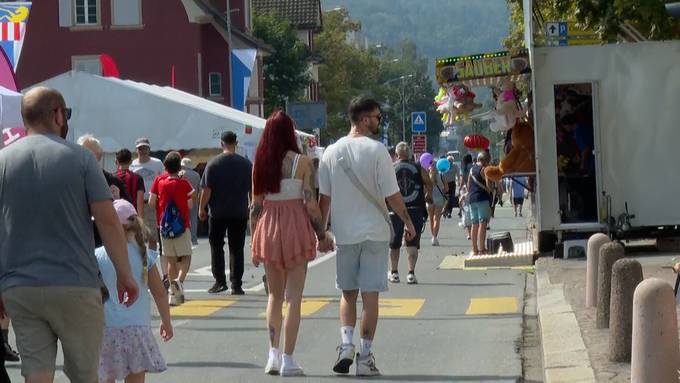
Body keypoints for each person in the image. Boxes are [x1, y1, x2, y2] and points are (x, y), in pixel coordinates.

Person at [0, 87, 138, 383]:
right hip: (75, 283)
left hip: (19, 286)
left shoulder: (3, 161)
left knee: (36, 372)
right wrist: (125, 275)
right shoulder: (81, 159)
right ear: (58, 115)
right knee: (85, 374)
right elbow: (108, 221)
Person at [318, 97, 416, 377]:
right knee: (370, 296)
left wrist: (322, 232)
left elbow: (324, 199)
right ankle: (364, 357)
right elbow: (392, 195)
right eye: (377, 117)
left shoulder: (331, 152)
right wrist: (407, 221)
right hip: (374, 232)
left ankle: (346, 345)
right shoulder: (377, 151)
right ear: (363, 119)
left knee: (347, 293)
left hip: (345, 233)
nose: (379, 121)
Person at [250, 111, 324, 376]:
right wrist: (322, 234)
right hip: (295, 226)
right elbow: (311, 203)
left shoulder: (260, 163)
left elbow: (255, 206)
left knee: (274, 295)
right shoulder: (302, 162)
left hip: (268, 225)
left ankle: (273, 355)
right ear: (290, 133)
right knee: (294, 299)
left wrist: (253, 240)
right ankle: (289, 359)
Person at [96, 199, 173, 383]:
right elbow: (160, 293)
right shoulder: (144, 255)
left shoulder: (98, 255)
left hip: (106, 329)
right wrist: (166, 321)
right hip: (137, 331)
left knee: (105, 377)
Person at [199, 131, 252, 295]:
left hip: (218, 212)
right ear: (236, 143)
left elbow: (206, 189)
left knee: (216, 246)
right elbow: (253, 189)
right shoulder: (245, 164)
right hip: (239, 211)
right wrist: (252, 206)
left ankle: (220, 281)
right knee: (237, 247)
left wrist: (202, 208)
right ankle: (236, 284)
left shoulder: (213, 163)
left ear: (221, 143)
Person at [150, 152, 194, 306]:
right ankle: (179, 282)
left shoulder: (159, 182)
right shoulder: (184, 184)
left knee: (171, 260)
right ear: (179, 166)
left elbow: (151, 202)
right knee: (186, 256)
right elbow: (190, 205)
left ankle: (171, 295)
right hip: (182, 225)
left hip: (164, 226)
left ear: (165, 167)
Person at [388, 142, 431, 285]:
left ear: (396, 154)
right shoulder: (418, 167)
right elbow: (429, 182)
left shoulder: (391, 168)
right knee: (412, 242)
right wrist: (426, 195)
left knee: (394, 243)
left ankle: (394, 272)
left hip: (395, 211)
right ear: (410, 154)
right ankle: (411, 273)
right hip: (415, 209)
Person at [78, 135, 132, 247]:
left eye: (90, 155)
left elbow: (130, 214)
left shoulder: (112, 181)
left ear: (99, 157)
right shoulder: (70, 180)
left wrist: (118, 201)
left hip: (105, 244)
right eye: (81, 153)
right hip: (79, 242)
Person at [131, 138, 164, 253]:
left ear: (149, 149)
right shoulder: (132, 165)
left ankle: (152, 260)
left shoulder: (157, 163)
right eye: (140, 148)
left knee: (152, 236)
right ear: (136, 150)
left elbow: (163, 180)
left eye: (145, 148)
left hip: (152, 203)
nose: (143, 151)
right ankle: (140, 259)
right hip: (136, 203)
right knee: (137, 234)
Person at [466, 152, 493, 255]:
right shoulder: (484, 169)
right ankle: (482, 249)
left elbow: (468, 186)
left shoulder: (471, 169)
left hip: (472, 199)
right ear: (486, 160)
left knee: (474, 224)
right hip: (482, 198)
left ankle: (474, 249)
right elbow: (489, 187)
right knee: (483, 223)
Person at [115, 148, 146, 216]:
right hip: (132, 216)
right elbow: (140, 202)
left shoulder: (111, 177)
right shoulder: (138, 178)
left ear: (116, 162)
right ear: (131, 162)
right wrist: (141, 221)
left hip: (116, 215)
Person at [181, 158, 202, 246]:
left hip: (182, 199)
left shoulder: (180, 174)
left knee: (183, 219)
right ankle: (193, 238)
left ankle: (184, 238)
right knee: (193, 219)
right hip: (194, 199)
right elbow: (200, 189)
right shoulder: (196, 175)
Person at [427, 162, 448, 246]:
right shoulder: (442, 175)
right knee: (437, 219)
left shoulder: (427, 176)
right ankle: (434, 237)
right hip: (439, 198)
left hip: (429, 199)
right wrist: (443, 190)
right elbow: (446, 188)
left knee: (431, 219)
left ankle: (433, 236)